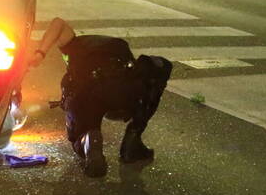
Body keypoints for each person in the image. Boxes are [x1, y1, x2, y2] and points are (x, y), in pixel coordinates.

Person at [30, 17, 173, 177]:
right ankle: (133, 138)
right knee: (151, 75)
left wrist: (39, 54)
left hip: (87, 97)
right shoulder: (118, 47)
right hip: (123, 92)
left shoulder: (73, 46)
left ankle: (90, 141)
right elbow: (156, 68)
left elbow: (57, 23)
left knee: (81, 118)